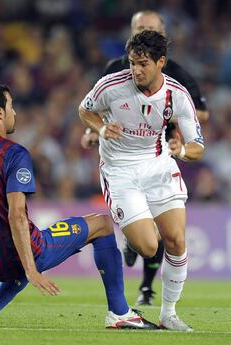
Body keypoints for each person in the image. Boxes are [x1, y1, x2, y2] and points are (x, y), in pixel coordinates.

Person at [0, 83, 158, 329]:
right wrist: (31, 270)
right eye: (11, 106)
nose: (14, 112)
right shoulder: (14, 153)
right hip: (25, 251)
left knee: (20, 253)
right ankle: (120, 313)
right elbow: (16, 215)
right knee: (102, 224)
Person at [79, 30, 205, 331]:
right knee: (149, 247)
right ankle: (136, 238)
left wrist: (182, 150)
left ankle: (169, 314)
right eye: (133, 62)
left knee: (176, 240)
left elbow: (197, 146)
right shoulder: (111, 85)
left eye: (143, 63)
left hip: (158, 165)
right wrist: (100, 128)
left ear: (161, 62)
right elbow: (84, 110)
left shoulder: (177, 95)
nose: (136, 69)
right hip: (120, 170)